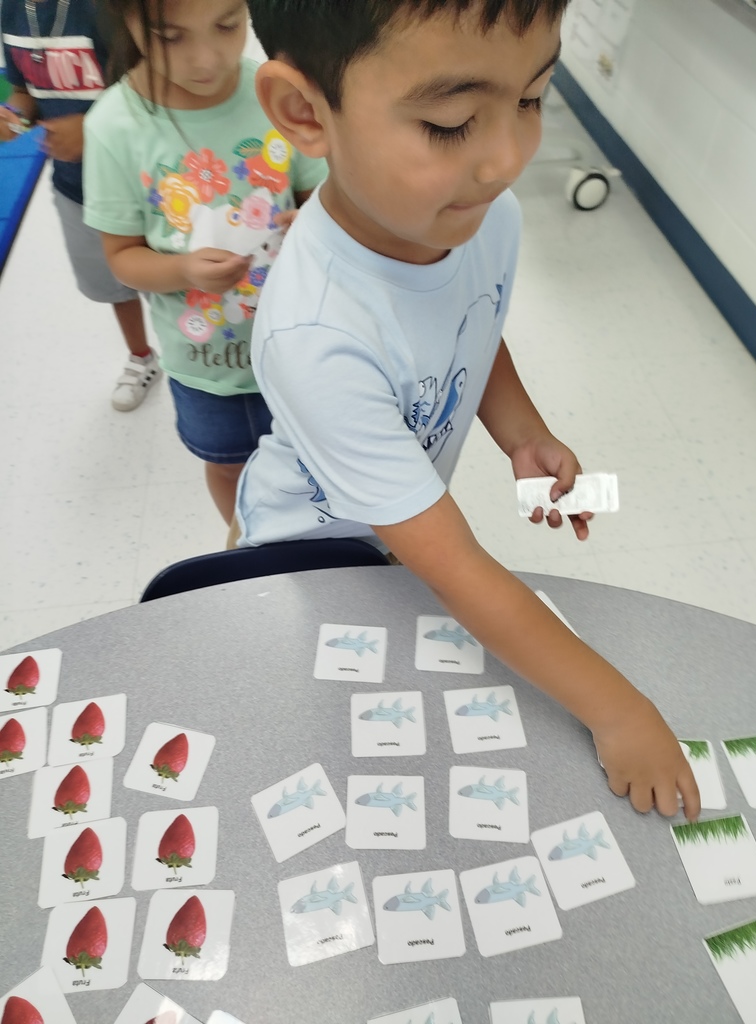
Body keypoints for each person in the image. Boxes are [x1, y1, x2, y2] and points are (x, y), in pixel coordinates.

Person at [235, 0, 701, 820]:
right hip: (311, 556)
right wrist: (621, 712)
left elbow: (470, 323)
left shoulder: (480, 216)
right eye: (451, 124)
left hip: (403, 532)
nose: (507, 159)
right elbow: (457, 569)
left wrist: (522, 434)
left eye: (531, 97)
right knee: (335, 752)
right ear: (306, 111)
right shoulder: (316, 336)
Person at [81, 0, 326, 522]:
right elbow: (122, 258)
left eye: (228, 26)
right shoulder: (114, 126)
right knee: (230, 464)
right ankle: (250, 548)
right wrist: (183, 271)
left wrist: (315, 224)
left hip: (310, 344)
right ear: (125, 22)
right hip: (209, 368)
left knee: (323, 459)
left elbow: (320, 199)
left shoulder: (278, 93)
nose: (207, 60)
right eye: (172, 37)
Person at [0, 0, 158, 412]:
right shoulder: (13, 11)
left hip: (146, 182)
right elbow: (24, 89)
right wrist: (15, 114)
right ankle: (142, 356)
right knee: (112, 282)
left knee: (169, 275)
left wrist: (90, 126)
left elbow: (152, 84)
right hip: (77, 186)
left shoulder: (102, 9)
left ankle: (195, 351)